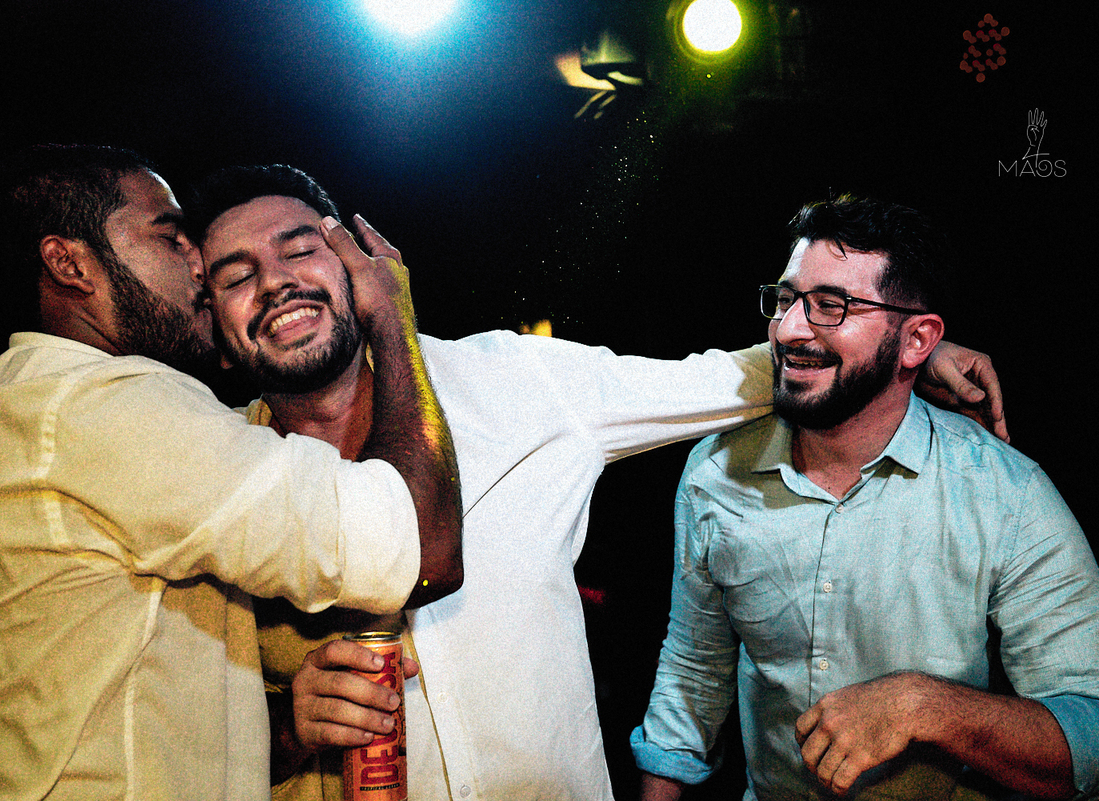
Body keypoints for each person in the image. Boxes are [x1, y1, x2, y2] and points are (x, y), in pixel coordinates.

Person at [187, 165, 1009, 801]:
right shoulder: (206, 484)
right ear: (215, 336)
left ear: (359, 267)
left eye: (299, 248)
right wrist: (287, 728)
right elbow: (171, 739)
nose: (275, 281)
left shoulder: (513, 382)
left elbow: (722, 378)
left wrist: (896, 349)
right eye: (234, 274)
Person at [0, 144, 463, 800]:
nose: (198, 263)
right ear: (69, 262)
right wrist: (390, 319)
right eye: (169, 237)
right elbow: (419, 544)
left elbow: (137, 708)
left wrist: (289, 722)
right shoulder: (108, 407)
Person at [632, 195, 1099, 801]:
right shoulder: (715, 472)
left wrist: (924, 706)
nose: (790, 329)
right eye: (786, 299)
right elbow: (692, 676)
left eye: (832, 306)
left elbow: (1088, 732)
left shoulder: (1005, 494)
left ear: (917, 341)